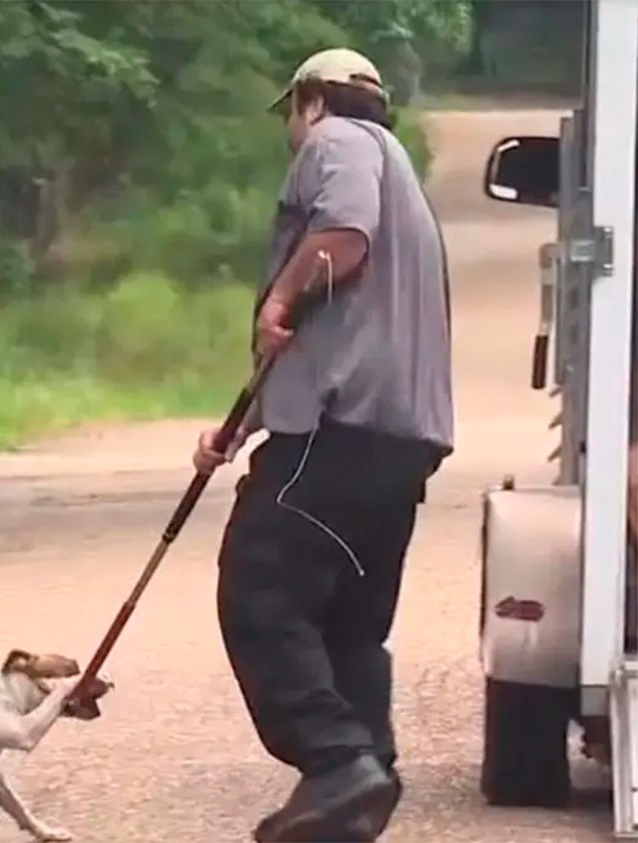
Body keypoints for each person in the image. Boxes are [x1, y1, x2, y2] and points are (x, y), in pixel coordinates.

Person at [193, 48, 453, 842]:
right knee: (348, 622)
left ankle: (338, 762)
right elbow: (343, 328)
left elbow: (342, 238)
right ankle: (363, 774)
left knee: (259, 583)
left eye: (289, 115)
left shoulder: (335, 142)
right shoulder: (404, 175)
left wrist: (279, 292)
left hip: (337, 431)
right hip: (398, 445)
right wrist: (239, 427)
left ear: (310, 100)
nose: (290, 132)